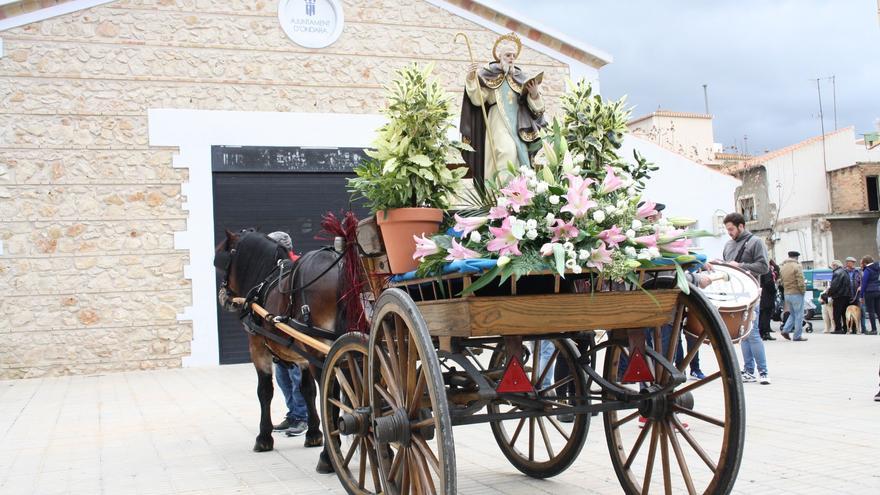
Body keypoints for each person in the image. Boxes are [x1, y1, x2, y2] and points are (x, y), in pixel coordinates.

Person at [460, 32, 547, 182]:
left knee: (520, 157)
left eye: (513, 55)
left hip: (518, 124)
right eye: (508, 55)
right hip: (498, 120)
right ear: (499, 57)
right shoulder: (489, 75)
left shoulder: (520, 77)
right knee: (506, 152)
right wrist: (471, 79)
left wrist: (534, 94)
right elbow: (477, 100)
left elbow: (536, 109)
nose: (511, 58)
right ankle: (501, 195)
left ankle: (518, 196)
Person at [716, 213, 771, 384]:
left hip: (751, 294)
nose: (729, 233)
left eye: (731, 229)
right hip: (733, 295)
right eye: (727, 229)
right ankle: (748, 370)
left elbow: (764, 267)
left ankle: (763, 372)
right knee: (743, 333)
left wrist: (740, 266)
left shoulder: (756, 242)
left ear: (741, 226)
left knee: (752, 333)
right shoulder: (728, 245)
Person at [267, 231, 308, 437]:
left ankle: (302, 416)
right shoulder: (273, 270)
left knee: (296, 376)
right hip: (278, 333)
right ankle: (293, 413)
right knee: (283, 376)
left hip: (294, 330)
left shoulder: (296, 266)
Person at [780, 251, 808, 341]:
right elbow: (800, 280)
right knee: (799, 315)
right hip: (796, 293)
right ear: (796, 257)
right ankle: (797, 336)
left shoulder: (783, 267)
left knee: (792, 314)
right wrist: (803, 291)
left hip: (787, 293)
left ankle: (785, 330)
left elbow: (781, 281)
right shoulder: (797, 266)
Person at [828, 260, 852, 334]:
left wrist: (829, 293)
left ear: (835, 265)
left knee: (837, 314)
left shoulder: (837, 273)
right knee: (844, 313)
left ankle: (838, 329)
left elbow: (834, 286)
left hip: (839, 296)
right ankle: (845, 328)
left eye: (832, 266)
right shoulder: (845, 272)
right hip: (846, 296)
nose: (832, 268)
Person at [845, 256, 866, 333]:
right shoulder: (844, 272)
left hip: (858, 296)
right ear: (847, 263)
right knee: (849, 315)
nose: (853, 264)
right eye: (851, 262)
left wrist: (861, 286)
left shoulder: (858, 272)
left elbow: (864, 282)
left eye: (854, 262)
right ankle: (852, 329)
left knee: (861, 313)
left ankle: (863, 329)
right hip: (848, 296)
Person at [759, 260, 779, 340]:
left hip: (763, 295)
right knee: (766, 315)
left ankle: (762, 332)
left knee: (763, 314)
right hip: (767, 296)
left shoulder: (761, 269)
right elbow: (769, 283)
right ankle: (765, 333)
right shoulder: (766, 270)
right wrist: (774, 289)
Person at [860, 256, 880, 335]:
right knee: (879, 311)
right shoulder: (877, 268)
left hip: (870, 292)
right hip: (878, 291)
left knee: (871, 311)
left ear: (865, 263)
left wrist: (861, 295)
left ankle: (874, 330)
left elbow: (864, 283)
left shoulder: (867, 270)